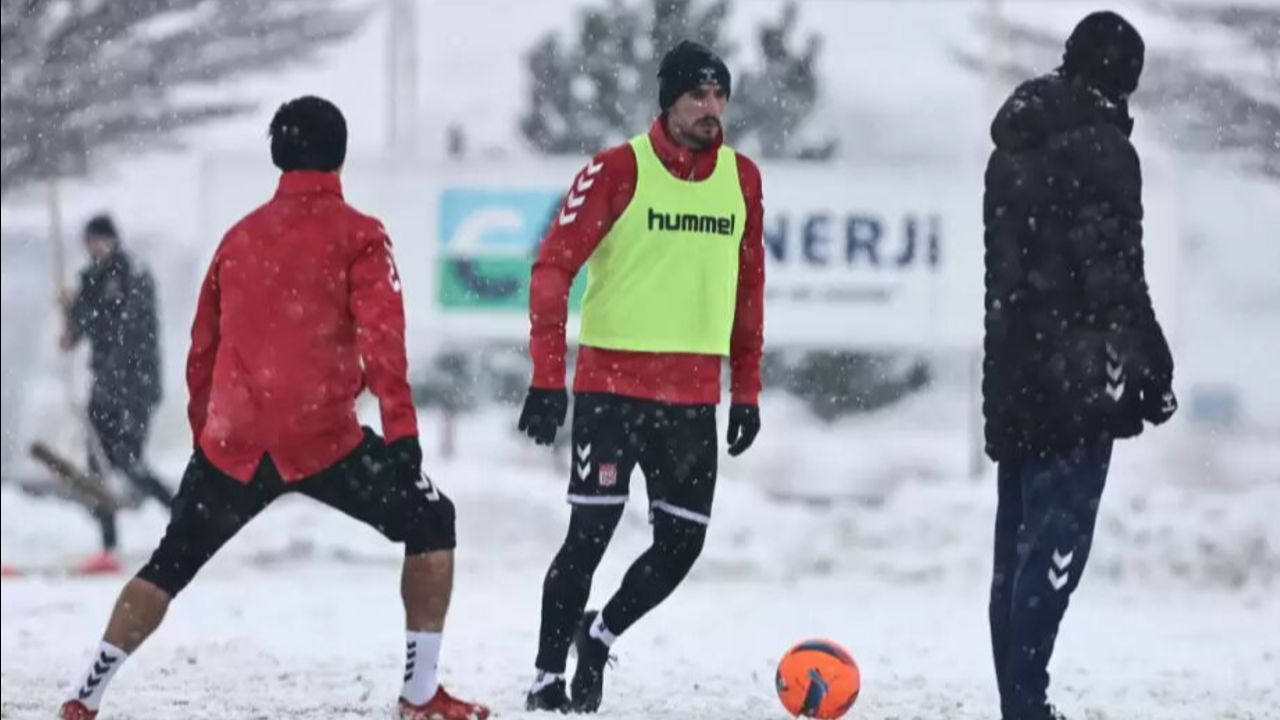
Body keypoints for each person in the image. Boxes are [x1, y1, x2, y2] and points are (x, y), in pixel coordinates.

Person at [58, 97, 488, 720]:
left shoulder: (238, 238)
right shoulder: (360, 236)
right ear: (340, 153)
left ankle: (84, 696)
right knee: (432, 520)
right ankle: (420, 697)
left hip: (232, 444)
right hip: (325, 440)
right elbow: (384, 342)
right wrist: (402, 434)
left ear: (276, 156)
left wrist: (208, 435)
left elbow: (201, 349)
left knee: (167, 565)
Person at [517, 40, 766, 713]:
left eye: (720, 96)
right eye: (698, 96)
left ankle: (596, 637)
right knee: (589, 537)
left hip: (691, 399)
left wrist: (745, 390)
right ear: (669, 101)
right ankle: (544, 681)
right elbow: (551, 270)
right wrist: (547, 376)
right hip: (611, 391)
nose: (712, 109)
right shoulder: (616, 169)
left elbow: (749, 292)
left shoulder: (742, 179)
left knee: (683, 542)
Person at [982, 12, 1177, 720]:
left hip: (1013, 372)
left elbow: (1007, 274)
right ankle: (1028, 709)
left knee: (1014, 553)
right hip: (1081, 377)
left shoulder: (1013, 145)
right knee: (1056, 550)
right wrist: (1153, 367)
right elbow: (1117, 274)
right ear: (1123, 76)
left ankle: (1019, 705)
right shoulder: (1104, 150)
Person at [60, 214, 172, 574]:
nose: (94, 248)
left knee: (127, 459)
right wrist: (70, 310)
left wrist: (85, 310)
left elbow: (128, 327)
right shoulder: (89, 279)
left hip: (136, 386)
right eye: (89, 242)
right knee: (96, 463)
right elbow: (79, 330)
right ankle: (108, 545)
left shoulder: (133, 275)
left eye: (99, 241)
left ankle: (187, 519)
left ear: (112, 240)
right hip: (103, 386)